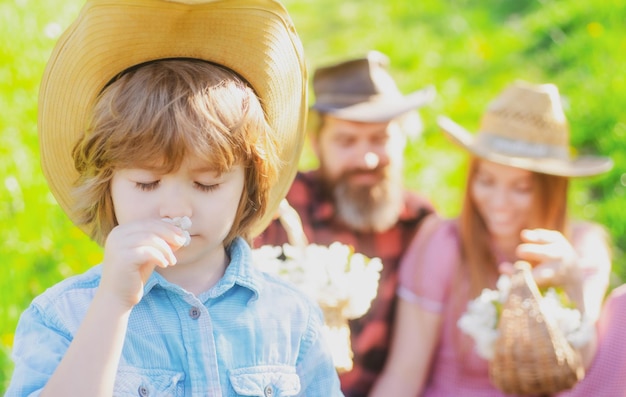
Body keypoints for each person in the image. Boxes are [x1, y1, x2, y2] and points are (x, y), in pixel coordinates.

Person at [5, 0, 344, 396]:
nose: (177, 209)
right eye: (148, 183)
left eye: (207, 184)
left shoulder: (292, 318)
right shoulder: (62, 317)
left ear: (249, 187)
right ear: (106, 185)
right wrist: (112, 304)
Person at [369, 80, 614, 396]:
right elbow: (403, 374)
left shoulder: (581, 248)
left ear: (552, 190)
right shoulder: (443, 243)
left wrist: (575, 289)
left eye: (521, 188)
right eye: (486, 181)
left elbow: (578, 371)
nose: (499, 201)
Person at [255, 50, 437, 396]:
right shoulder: (279, 209)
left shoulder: (420, 224)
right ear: (316, 145)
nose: (366, 158)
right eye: (346, 141)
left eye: (380, 139)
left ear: (401, 140)